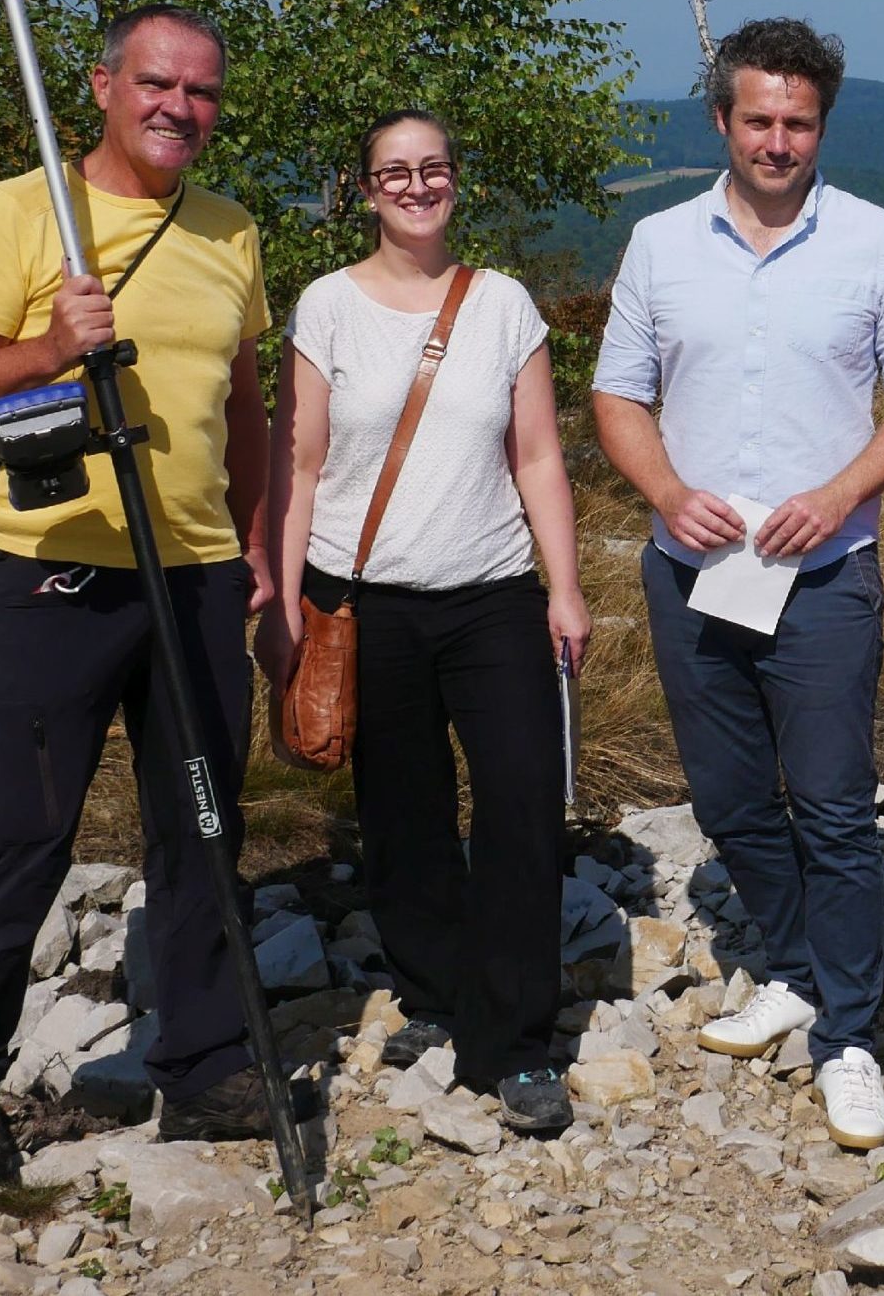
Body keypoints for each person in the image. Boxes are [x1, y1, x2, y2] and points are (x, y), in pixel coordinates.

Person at [0, 4, 276, 1187]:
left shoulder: (232, 232)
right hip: (50, 576)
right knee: (22, 833)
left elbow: (247, 406)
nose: (180, 108)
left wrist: (258, 552)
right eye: (158, 83)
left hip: (200, 574)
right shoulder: (18, 212)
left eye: (203, 92)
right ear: (105, 86)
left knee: (205, 826)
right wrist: (48, 351)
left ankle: (208, 1062)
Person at [592, 18, 884, 1151]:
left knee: (838, 810)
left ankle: (851, 1035)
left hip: (824, 572)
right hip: (691, 566)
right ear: (722, 120)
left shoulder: (879, 241)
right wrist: (663, 488)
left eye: (798, 122)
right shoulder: (658, 243)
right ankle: (790, 967)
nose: (778, 140)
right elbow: (617, 395)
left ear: (821, 125)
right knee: (731, 797)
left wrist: (840, 495)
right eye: (759, 119)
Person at [259, 110, 588, 1135]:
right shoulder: (326, 308)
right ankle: (441, 987)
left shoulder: (501, 305)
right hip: (365, 600)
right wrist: (278, 599)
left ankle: (517, 1043)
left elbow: (536, 456)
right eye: (393, 173)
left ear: (456, 182)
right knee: (402, 821)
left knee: (525, 802)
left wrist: (565, 587)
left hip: (491, 591)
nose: (414, 186)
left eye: (432, 169)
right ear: (363, 190)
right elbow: (298, 465)